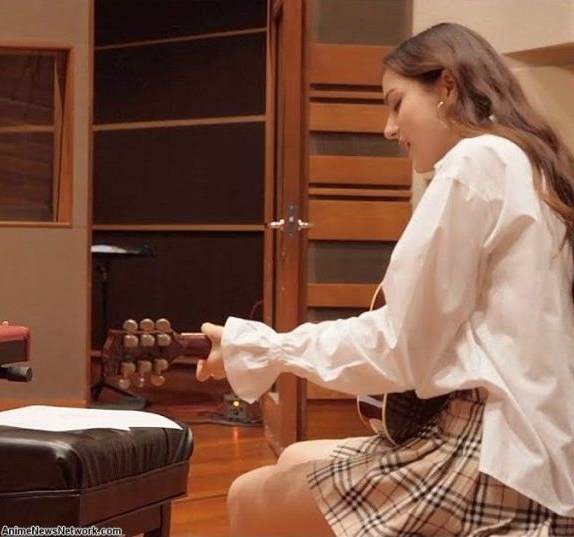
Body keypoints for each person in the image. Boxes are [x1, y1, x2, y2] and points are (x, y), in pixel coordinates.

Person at [196, 22, 574, 537]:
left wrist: (264, 348)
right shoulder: (527, 160)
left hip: (493, 457)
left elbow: (399, 347)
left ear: (446, 87)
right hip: (538, 448)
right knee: (294, 458)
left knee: (247, 495)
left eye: (397, 104)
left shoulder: (475, 161)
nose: (389, 129)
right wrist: (260, 349)